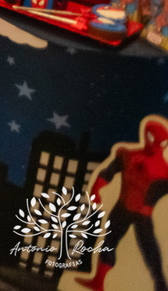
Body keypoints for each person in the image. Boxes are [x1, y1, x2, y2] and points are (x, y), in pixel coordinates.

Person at [76, 116, 168, 291]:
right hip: (122, 209)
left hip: (143, 215)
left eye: (161, 142)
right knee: (109, 242)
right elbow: (106, 173)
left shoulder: (163, 169)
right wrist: (96, 190)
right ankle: (99, 282)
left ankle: (161, 287)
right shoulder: (128, 155)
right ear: (146, 135)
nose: (155, 143)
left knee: (151, 254)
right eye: (153, 138)